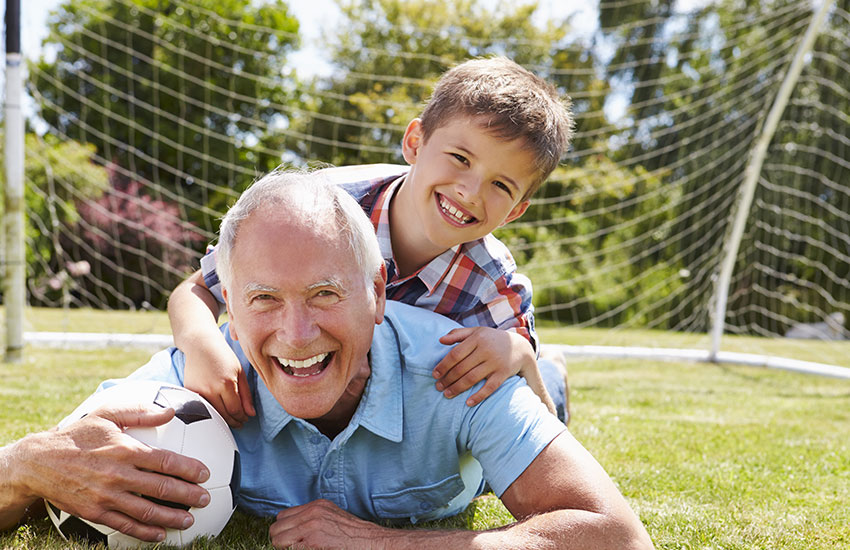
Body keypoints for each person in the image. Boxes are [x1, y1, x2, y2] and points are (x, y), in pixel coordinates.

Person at [0, 172, 652, 549]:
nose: (296, 332)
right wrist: (26, 466)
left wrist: (387, 545)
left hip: (500, 407)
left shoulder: (460, 370)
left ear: (375, 295)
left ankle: (554, 373)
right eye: (262, 299)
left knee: (544, 394)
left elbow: (616, 538)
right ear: (228, 303)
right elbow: (37, 471)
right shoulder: (187, 386)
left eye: (324, 294)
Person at [167, 56, 574, 427]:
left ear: (517, 210)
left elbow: (535, 419)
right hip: (327, 381)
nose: (469, 191)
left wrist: (520, 354)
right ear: (414, 143)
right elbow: (197, 289)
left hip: (400, 403)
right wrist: (202, 345)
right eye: (461, 158)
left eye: (501, 184)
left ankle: (556, 369)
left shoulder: (492, 281)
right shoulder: (316, 210)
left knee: (530, 368)